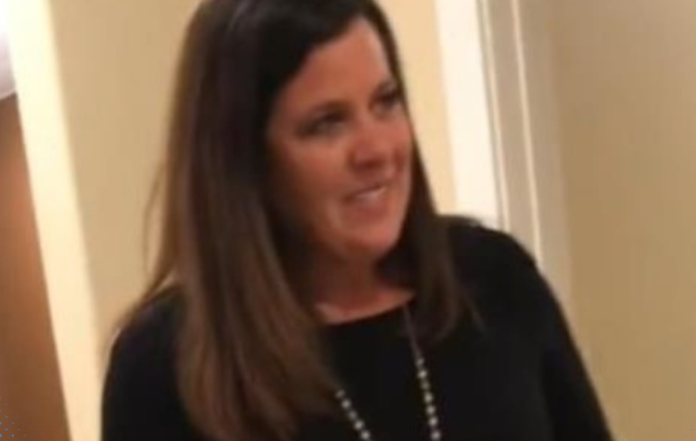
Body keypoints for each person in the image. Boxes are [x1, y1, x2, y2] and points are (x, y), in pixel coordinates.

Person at [101, 0, 614, 440]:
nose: (377, 150)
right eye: (327, 124)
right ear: (244, 162)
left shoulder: (494, 281)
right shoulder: (165, 367)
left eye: (385, 102)